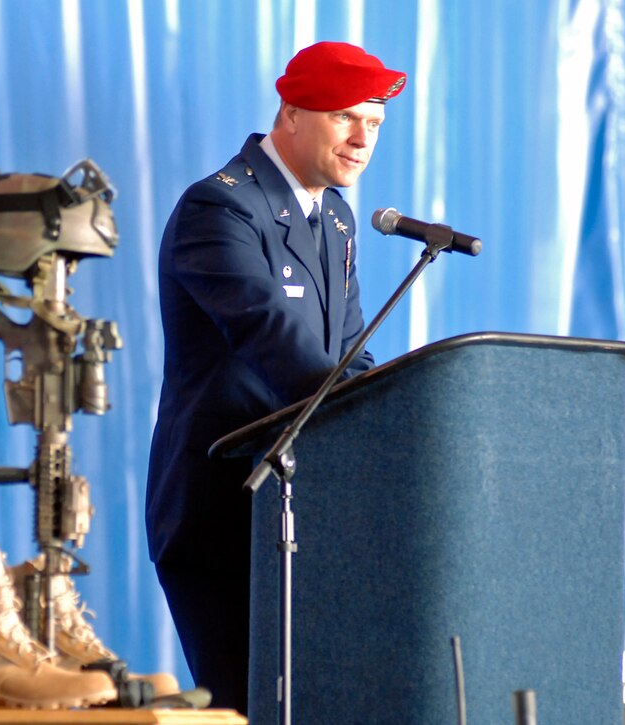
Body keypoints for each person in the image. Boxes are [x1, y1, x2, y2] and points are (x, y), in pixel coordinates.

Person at [145, 41, 406, 714]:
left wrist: (396, 428)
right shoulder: (220, 208)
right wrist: (369, 415)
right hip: (225, 507)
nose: (361, 138)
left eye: (374, 124)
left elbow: (350, 354)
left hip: (310, 511)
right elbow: (277, 343)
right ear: (290, 112)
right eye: (346, 118)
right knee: (247, 705)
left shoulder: (337, 217)